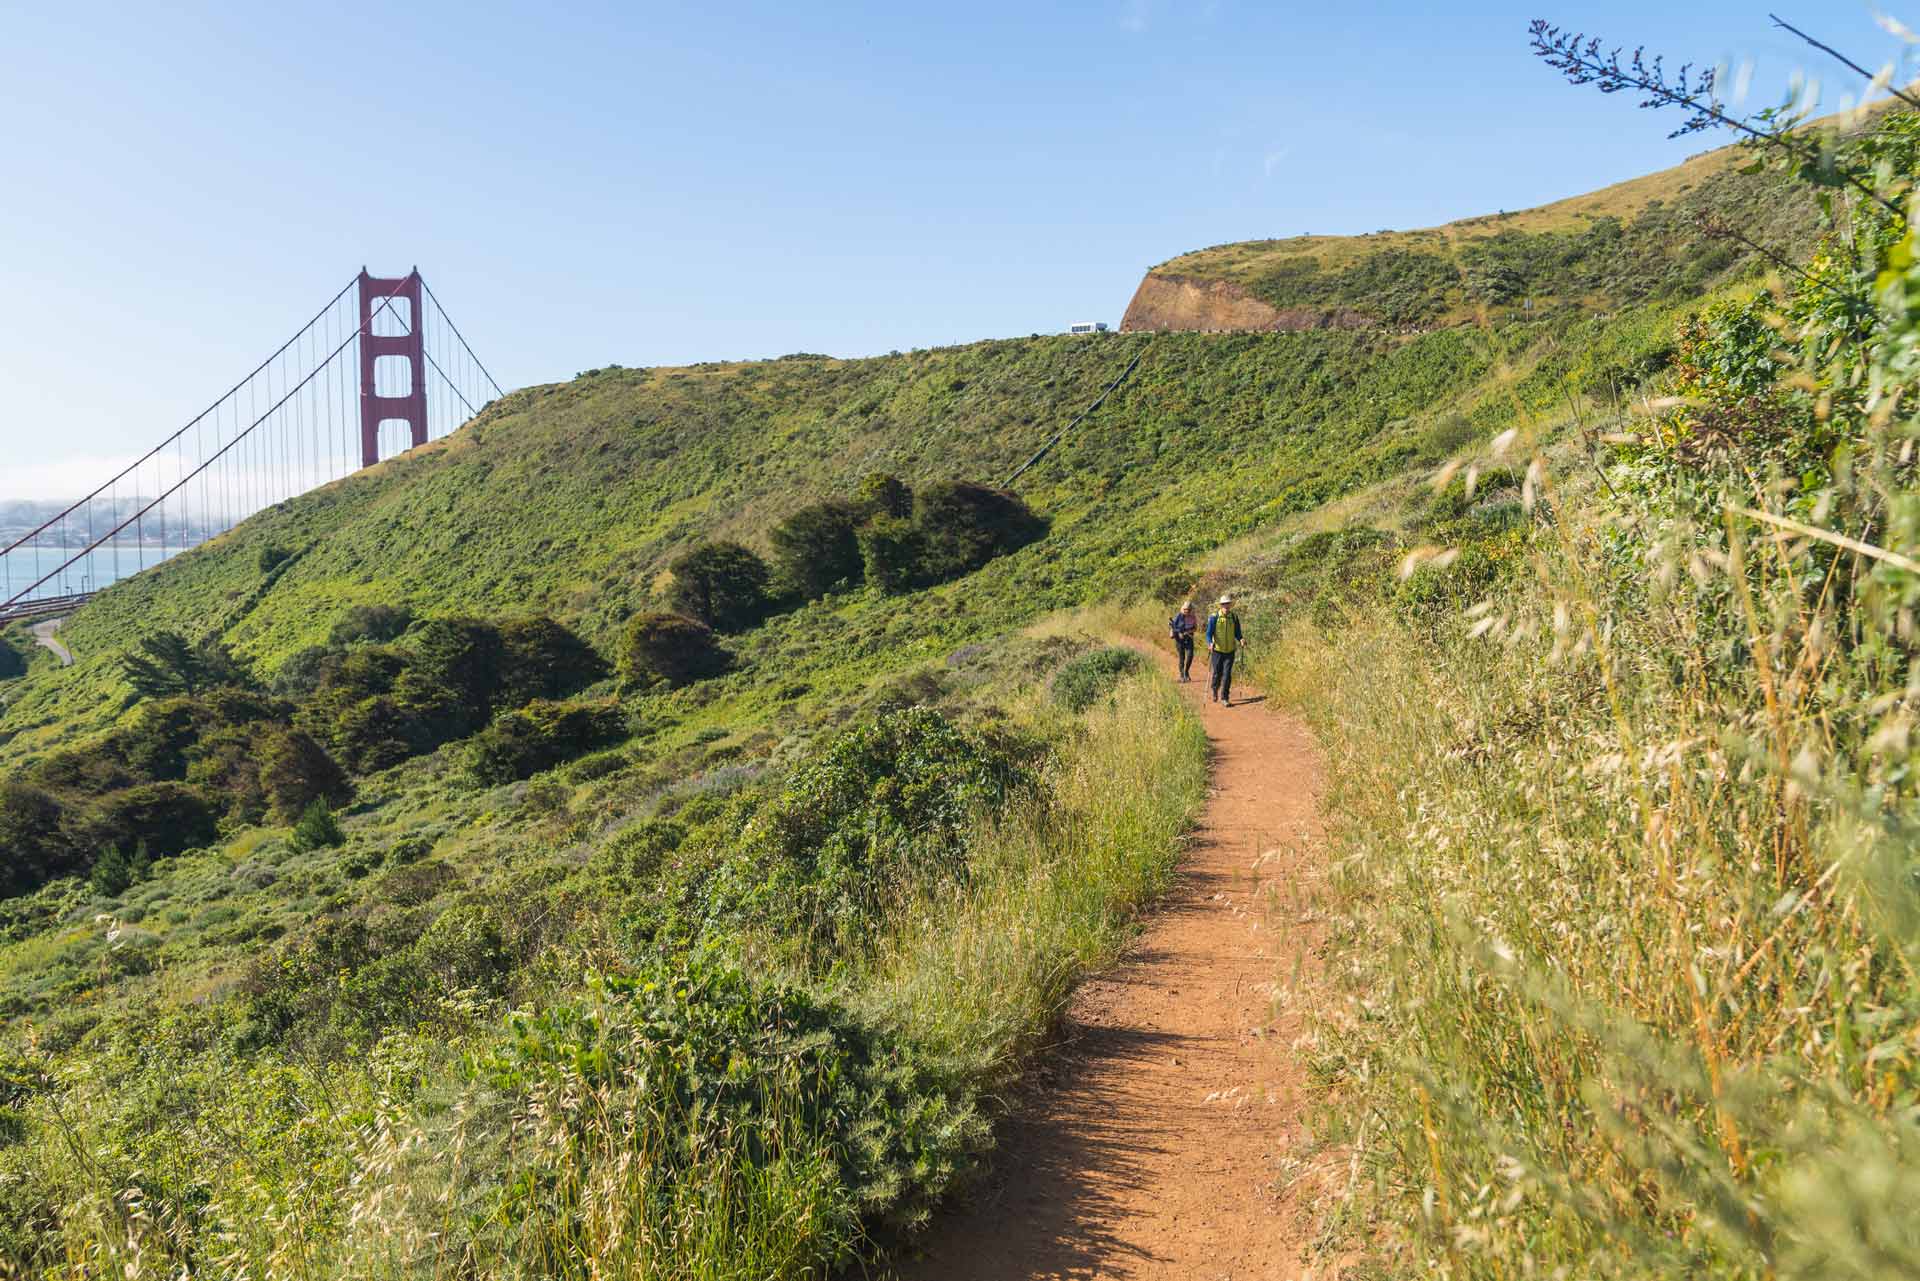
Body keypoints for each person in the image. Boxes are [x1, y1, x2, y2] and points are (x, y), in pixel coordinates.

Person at [1205, 593, 1243, 705]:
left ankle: (1224, 697)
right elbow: (1208, 634)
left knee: (1227, 674)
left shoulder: (1234, 617)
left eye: (1228, 604)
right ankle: (1215, 689)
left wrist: (1241, 639)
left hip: (1230, 651)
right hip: (1217, 650)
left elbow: (1238, 632)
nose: (1226, 606)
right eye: (1224, 604)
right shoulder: (1214, 617)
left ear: (1230, 605)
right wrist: (1210, 643)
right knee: (1217, 673)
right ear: (1221, 605)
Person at [1169, 601, 1198, 681]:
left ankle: (1186, 672)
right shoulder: (1179, 616)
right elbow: (1173, 626)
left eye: (1188, 609)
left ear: (1190, 610)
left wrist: (1188, 632)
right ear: (1183, 609)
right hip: (1179, 639)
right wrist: (1179, 633)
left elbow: (1195, 628)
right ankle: (1182, 676)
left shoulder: (1193, 617)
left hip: (1189, 637)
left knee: (1190, 655)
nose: (1186, 611)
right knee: (1182, 658)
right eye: (1185, 609)